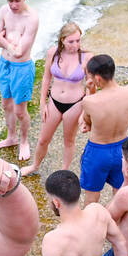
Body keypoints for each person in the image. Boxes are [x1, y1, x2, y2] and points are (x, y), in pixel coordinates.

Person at [21, 23, 92, 178]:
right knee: (42, 140)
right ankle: (34, 165)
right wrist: (42, 103)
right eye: (71, 41)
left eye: (78, 40)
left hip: (76, 103)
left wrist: (85, 113)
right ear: (62, 40)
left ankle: (64, 171)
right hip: (54, 101)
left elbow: (89, 86)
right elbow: (46, 78)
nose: (76, 45)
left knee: (69, 141)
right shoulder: (53, 53)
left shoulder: (86, 57)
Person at [78, 54, 128, 205]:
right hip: (122, 149)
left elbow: (87, 122)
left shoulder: (89, 101)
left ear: (97, 79)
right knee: (120, 192)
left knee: (92, 196)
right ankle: (115, 223)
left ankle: (92, 226)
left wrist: (91, 90)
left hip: (98, 151)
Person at [0, 0, 39, 162]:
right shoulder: (4, 11)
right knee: (6, 104)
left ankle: (24, 141)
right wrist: (6, 42)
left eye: (17, 1)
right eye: (10, 1)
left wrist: (3, 40)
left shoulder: (31, 18)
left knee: (20, 111)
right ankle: (11, 137)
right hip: (4, 64)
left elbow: (19, 53)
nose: (13, 5)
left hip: (22, 68)